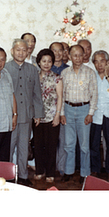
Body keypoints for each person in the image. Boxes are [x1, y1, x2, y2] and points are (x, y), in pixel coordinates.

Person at [5, 39, 44, 186]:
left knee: (23, 148)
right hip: (10, 117)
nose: (21, 53)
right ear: (12, 51)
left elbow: (36, 93)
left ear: (28, 51)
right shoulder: (5, 68)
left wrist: (38, 114)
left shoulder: (32, 69)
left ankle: (23, 176)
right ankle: (7, 176)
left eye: (24, 50)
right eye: (18, 50)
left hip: (26, 116)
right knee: (8, 148)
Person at [60, 45, 98, 184]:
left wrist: (90, 113)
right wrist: (62, 113)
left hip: (84, 110)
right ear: (69, 56)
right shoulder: (64, 73)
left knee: (84, 145)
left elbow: (94, 95)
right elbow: (62, 95)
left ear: (84, 56)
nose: (77, 58)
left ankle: (85, 173)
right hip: (68, 109)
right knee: (69, 144)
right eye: (74, 55)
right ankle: (68, 171)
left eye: (80, 55)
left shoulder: (90, 72)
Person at [90, 50, 109, 183]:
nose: (99, 64)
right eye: (96, 61)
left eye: (102, 61)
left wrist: (107, 76)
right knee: (94, 144)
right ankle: (95, 169)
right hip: (95, 114)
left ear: (107, 62)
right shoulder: (92, 76)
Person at [33, 49, 62, 183]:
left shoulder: (57, 78)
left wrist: (57, 115)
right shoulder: (34, 77)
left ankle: (50, 172)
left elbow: (60, 97)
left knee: (51, 146)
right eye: (44, 61)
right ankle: (39, 170)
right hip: (37, 117)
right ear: (39, 62)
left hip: (52, 117)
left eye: (49, 61)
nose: (46, 64)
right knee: (38, 145)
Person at [49, 42, 69, 176]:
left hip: (64, 111)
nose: (57, 54)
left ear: (64, 52)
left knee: (63, 140)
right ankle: (50, 168)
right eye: (54, 51)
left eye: (59, 51)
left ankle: (61, 167)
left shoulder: (69, 69)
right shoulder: (45, 68)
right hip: (48, 111)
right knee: (50, 141)